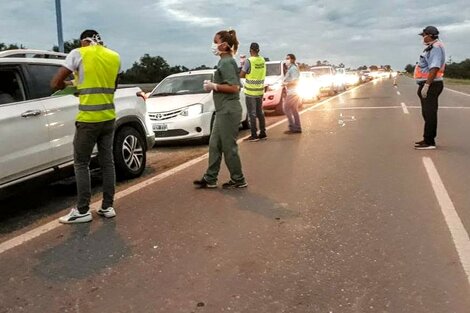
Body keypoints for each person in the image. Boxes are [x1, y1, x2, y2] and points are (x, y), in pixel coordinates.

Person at [50, 29, 121, 223]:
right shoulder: (114, 56)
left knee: (82, 163)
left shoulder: (78, 53)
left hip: (88, 119)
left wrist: (67, 86)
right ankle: (107, 207)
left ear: (84, 41)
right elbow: (112, 86)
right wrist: (83, 87)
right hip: (108, 117)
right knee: (107, 162)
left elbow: (55, 83)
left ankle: (82, 210)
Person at [193, 29, 247, 189]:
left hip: (228, 110)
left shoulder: (227, 62)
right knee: (214, 143)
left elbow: (235, 87)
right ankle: (210, 178)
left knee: (228, 146)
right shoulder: (224, 61)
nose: (213, 45)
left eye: (215, 42)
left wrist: (214, 86)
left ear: (224, 45)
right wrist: (214, 87)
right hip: (223, 109)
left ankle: (239, 179)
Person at [414, 26, 445, 150]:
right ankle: (427, 138)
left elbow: (434, 67)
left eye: (424, 35)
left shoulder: (436, 48)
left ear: (430, 35)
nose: (423, 37)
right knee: (427, 113)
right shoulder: (431, 47)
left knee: (430, 113)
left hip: (432, 84)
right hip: (428, 84)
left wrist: (427, 85)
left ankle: (430, 141)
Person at [240, 42, 267, 141]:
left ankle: (254, 135)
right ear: (258, 50)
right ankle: (263, 133)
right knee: (260, 113)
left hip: (251, 91)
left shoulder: (249, 61)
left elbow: (242, 75)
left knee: (252, 114)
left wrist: (242, 68)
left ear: (250, 50)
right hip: (260, 90)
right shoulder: (262, 60)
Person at [282, 53, 302, 134]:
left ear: (293, 60)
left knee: (286, 108)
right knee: (294, 110)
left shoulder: (293, 69)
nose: (286, 60)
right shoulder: (291, 68)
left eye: (288, 58)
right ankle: (297, 127)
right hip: (293, 92)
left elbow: (296, 81)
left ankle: (292, 127)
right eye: (286, 58)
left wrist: (286, 84)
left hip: (293, 92)